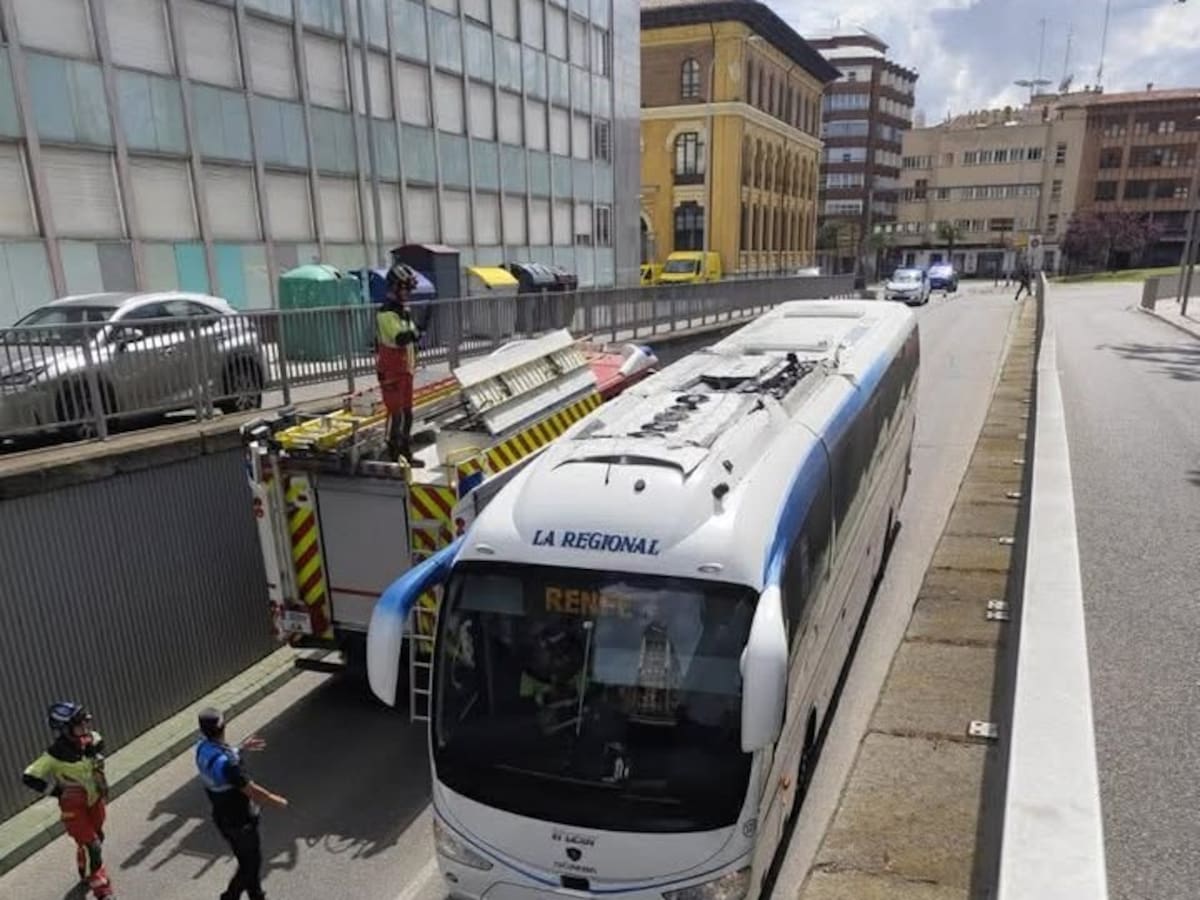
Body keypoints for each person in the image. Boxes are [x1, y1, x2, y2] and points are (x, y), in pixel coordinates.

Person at [22, 702, 114, 899]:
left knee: (96, 838)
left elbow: (100, 745)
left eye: (85, 722)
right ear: (65, 730)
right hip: (74, 809)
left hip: (95, 801)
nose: (86, 728)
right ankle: (102, 889)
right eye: (79, 725)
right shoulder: (53, 755)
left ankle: (84, 867)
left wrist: (94, 753)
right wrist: (55, 791)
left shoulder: (92, 739)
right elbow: (29, 776)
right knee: (93, 846)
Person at [195, 708, 288, 900]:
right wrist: (275, 800)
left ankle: (256, 895)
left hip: (222, 817)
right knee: (250, 864)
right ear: (223, 727)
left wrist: (241, 748)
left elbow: (218, 757)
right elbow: (251, 790)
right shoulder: (229, 765)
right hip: (240, 822)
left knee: (247, 860)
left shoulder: (202, 747)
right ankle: (230, 896)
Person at [376, 255, 423, 462]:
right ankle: (393, 454)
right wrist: (415, 332)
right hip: (392, 371)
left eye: (409, 289)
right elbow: (400, 338)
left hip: (406, 370)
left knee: (407, 414)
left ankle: (405, 452)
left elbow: (413, 335)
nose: (407, 293)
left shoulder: (404, 311)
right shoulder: (386, 313)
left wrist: (415, 332)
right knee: (396, 415)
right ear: (394, 287)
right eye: (404, 289)